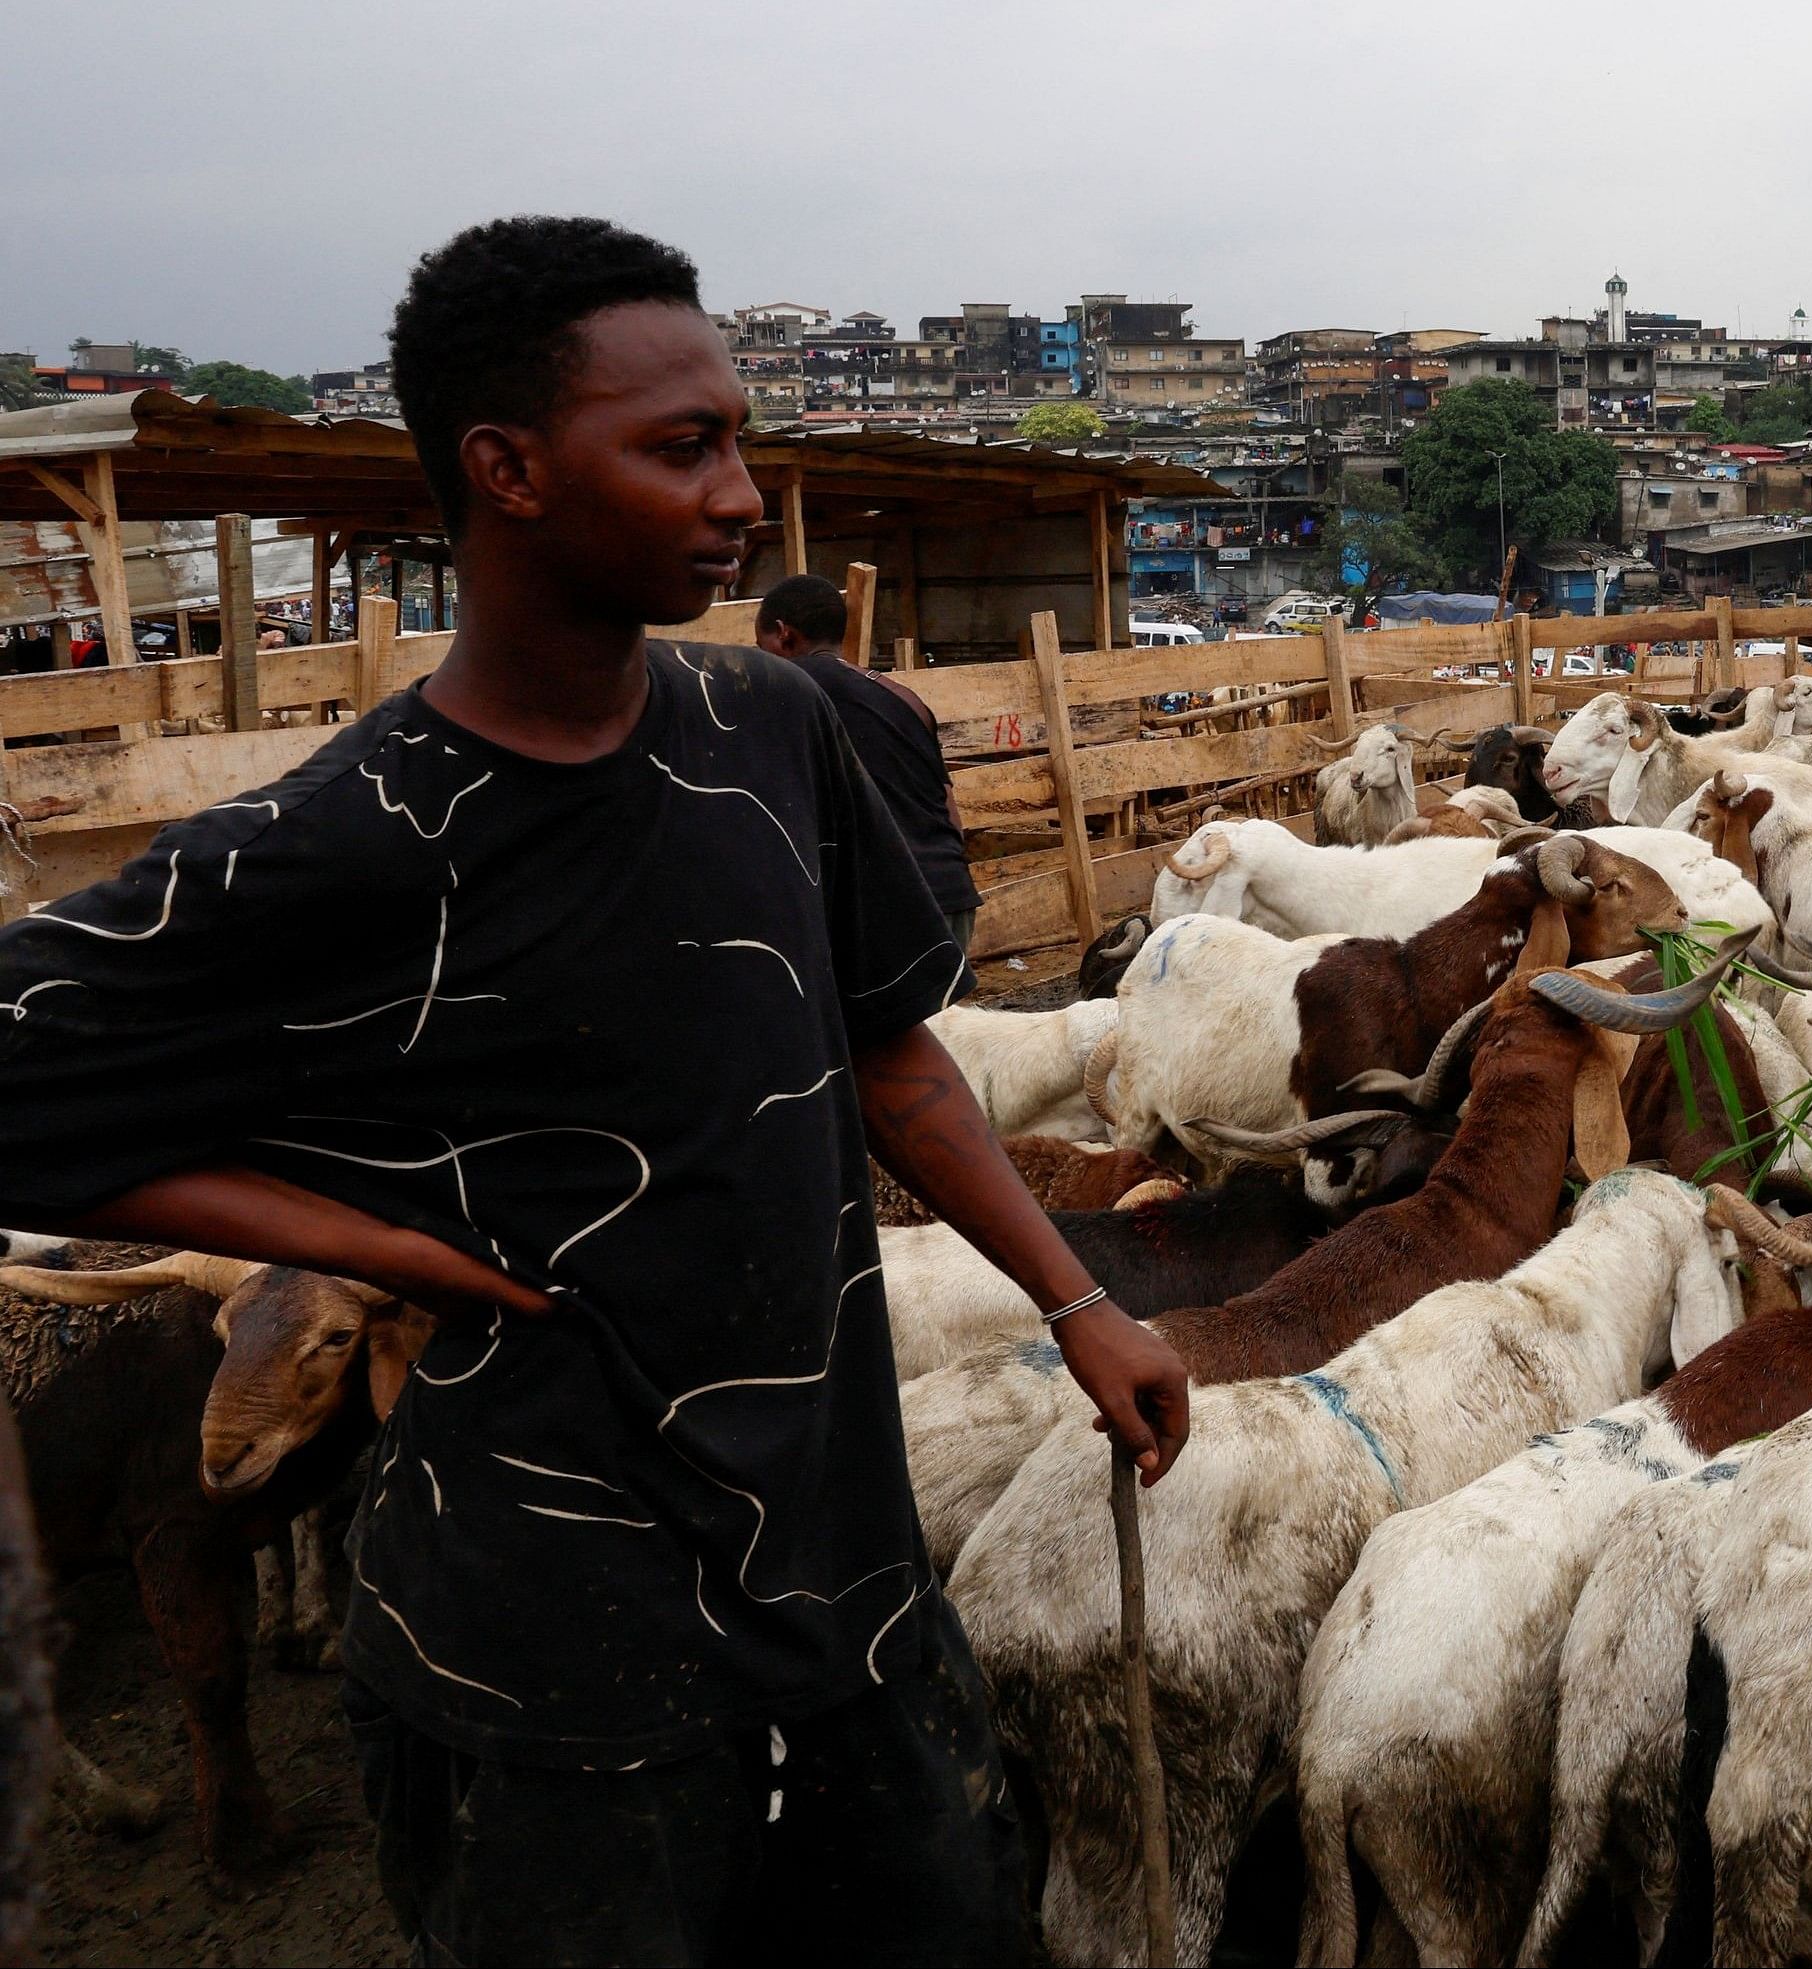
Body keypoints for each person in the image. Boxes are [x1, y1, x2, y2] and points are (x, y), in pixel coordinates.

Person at [0, 216, 1188, 1963]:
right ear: (510, 469)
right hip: (544, 1655)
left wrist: (1078, 1295)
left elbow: (886, 1047)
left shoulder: (775, 733)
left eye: (738, 436)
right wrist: (363, 1240)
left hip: (848, 1579)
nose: (737, 491)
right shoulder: (359, 830)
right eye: (683, 446)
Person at [751, 575, 979, 965]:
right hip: (950, 898)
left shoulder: (787, 693)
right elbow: (953, 819)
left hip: (882, 908)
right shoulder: (904, 698)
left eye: (761, 647)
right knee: (941, 1026)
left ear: (783, 634)